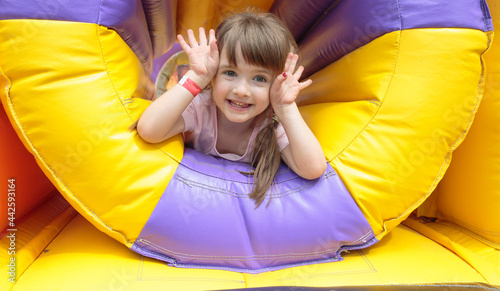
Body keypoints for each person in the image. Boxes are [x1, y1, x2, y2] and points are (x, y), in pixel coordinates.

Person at [137, 11, 326, 206]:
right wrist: (197, 78)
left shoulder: (270, 125)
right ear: (214, 75)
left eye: (259, 78)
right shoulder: (202, 107)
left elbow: (313, 169)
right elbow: (148, 130)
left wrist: (285, 107)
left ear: (275, 84)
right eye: (230, 72)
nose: (241, 90)